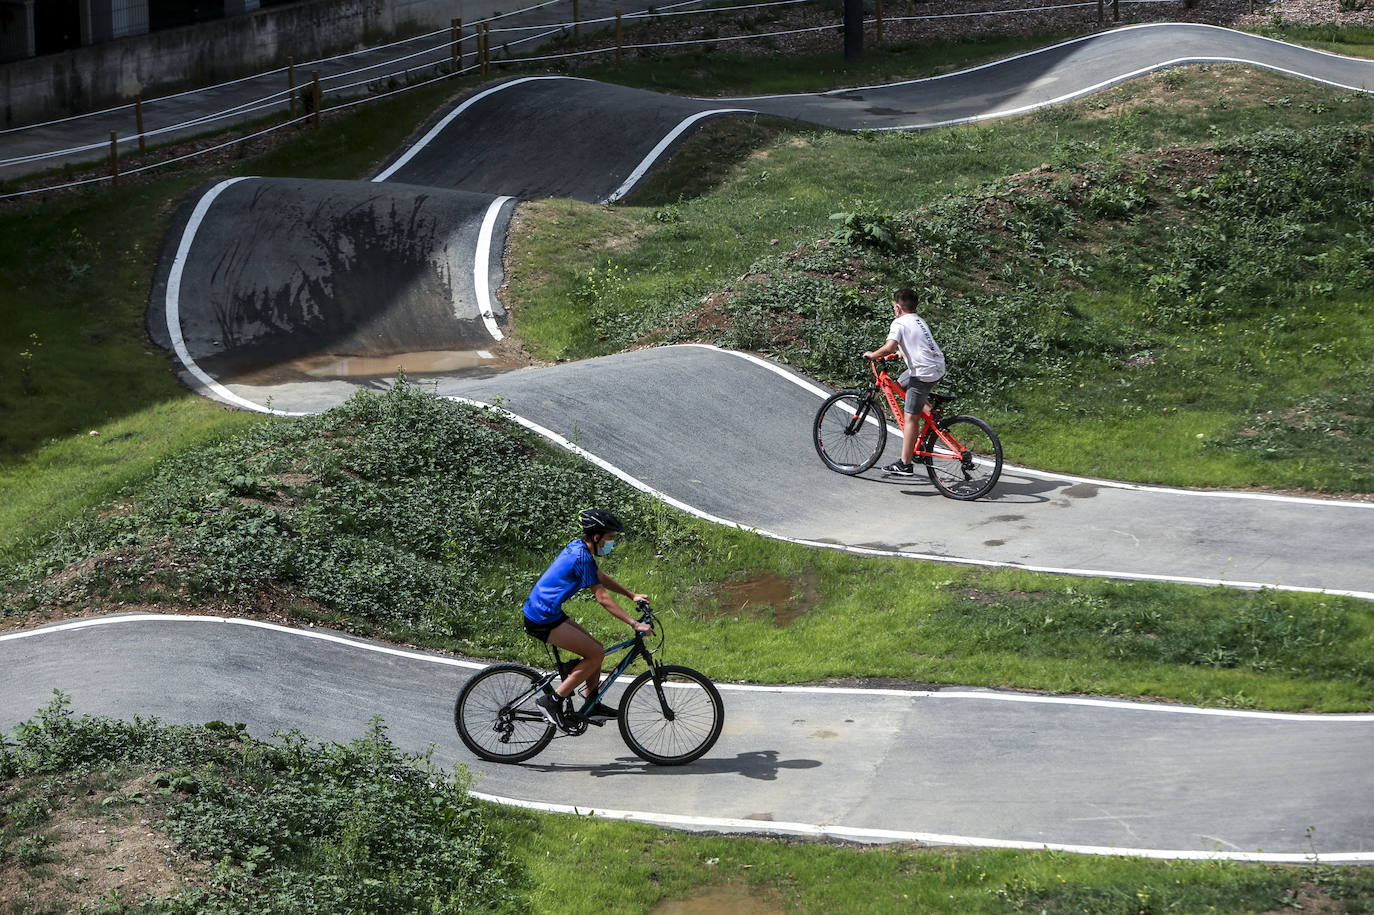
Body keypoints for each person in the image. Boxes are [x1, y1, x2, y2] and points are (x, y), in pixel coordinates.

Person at [522, 508, 652, 729]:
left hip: (546, 611)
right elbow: (602, 597)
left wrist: (631, 595)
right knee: (595, 654)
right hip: (542, 617)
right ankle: (552, 700)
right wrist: (634, 623)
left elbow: (598, 576)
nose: (611, 543)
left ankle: (593, 702)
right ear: (596, 537)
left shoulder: (580, 549)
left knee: (596, 649)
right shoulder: (581, 555)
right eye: (609, 538)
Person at [862, 287, 947, 476]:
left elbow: (888, 347)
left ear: (898, 308)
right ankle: (931, 417)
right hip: (936, 366)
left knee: (910, 417)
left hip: (923, 371)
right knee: (901, 384)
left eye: (894, 306)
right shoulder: (918, 320)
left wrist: (873, 355)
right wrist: (902, 353)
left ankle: (905, 464)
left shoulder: (899, 322)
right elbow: (918, 343)